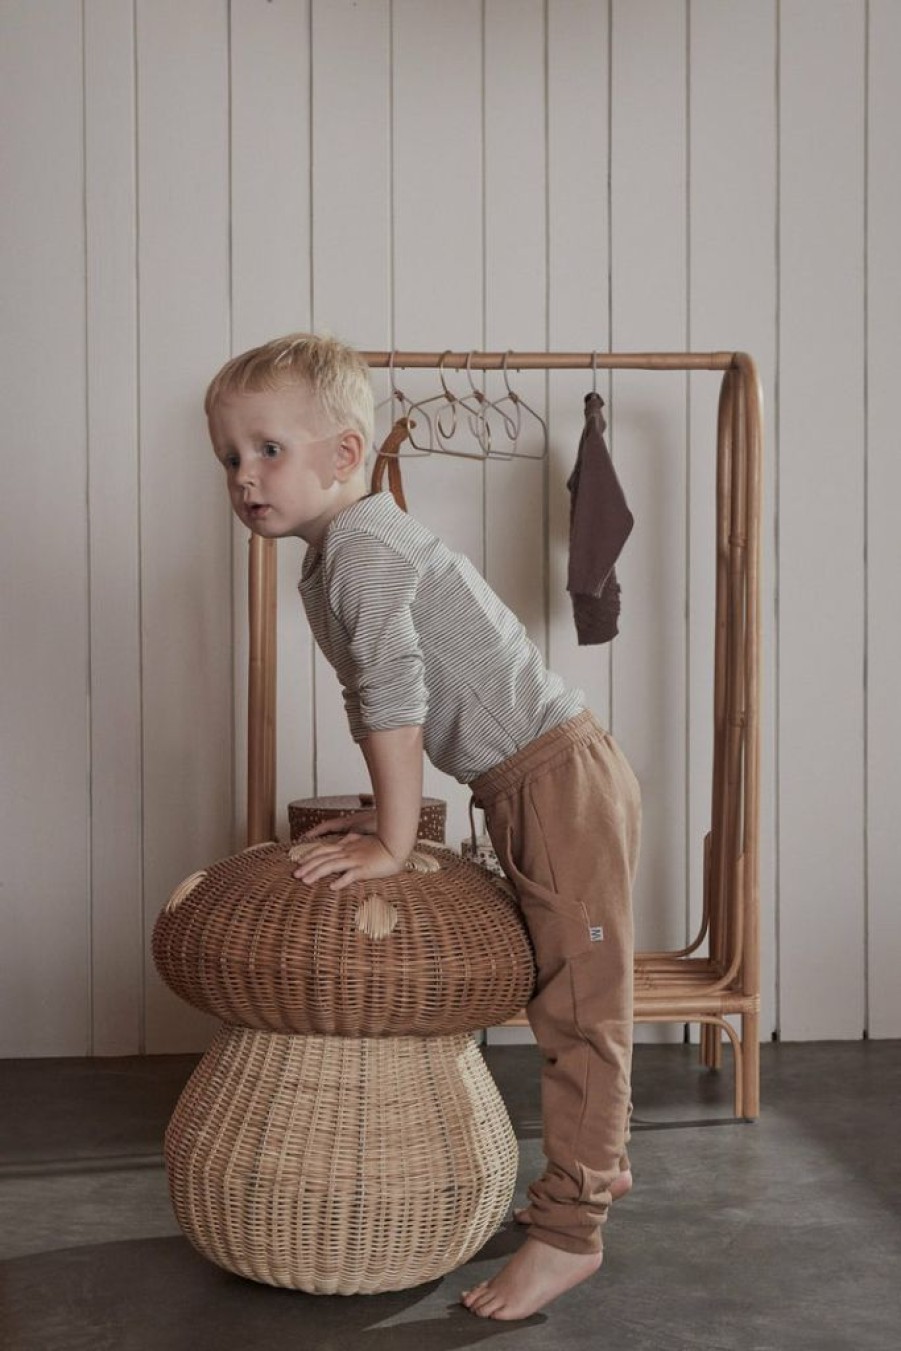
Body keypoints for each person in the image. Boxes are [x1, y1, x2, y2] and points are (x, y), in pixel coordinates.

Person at [204, 332, 641, 1321]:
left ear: (345, 454)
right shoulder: (338, 551)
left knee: (578, 1005)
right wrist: (380, 808)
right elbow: (392, 700)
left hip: (558, 779)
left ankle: (569, 1231)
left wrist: (392, 843)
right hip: (527, 778)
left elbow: (394, 700)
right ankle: (599, 1160)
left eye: (268, 449)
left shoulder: (359, 549)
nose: (243, 475)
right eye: (229, 455)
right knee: (565, 985)